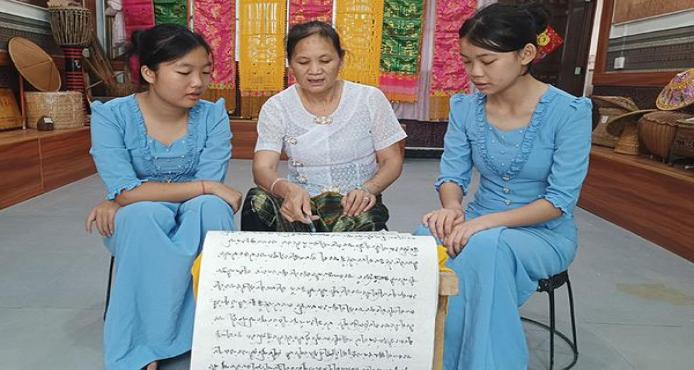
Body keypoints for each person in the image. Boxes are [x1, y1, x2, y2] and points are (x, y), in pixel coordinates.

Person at [416, 4, 592, 369]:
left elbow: (559, 201)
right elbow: (452, 176)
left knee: (485, 246)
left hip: (543, 232)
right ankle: (429, 356)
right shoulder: (466, 108)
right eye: (466, 62)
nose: (475, 73)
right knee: (424, 239)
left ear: (526, 54)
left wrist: (481, 223)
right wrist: (452, 208)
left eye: (487, 60)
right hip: (479, 220)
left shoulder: (569, 112)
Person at [84, 24, 242, 370]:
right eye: (184, 71)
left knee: (212, 209)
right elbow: (127, 189)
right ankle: (143, 343)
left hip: (192, 213)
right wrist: (126, 197)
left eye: (205, 72)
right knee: (145, 216)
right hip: (140, 218)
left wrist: (129, 195)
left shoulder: (212, 115)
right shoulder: (111, 116)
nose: (197, 83)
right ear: (148, 73)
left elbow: (208, 182)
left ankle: (219, 334)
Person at [241, 21, 407, 232]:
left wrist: (367, 190)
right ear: (290, 65)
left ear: (341, 60)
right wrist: (288, 190)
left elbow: (391, 160)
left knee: (363, 222)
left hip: (354, 207)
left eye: (325, 60)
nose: (315, 71)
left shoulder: (369, 99)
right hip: (302, 209)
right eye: (303, 62)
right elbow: (262, 168)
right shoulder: (277, 107)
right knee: (257, 201)